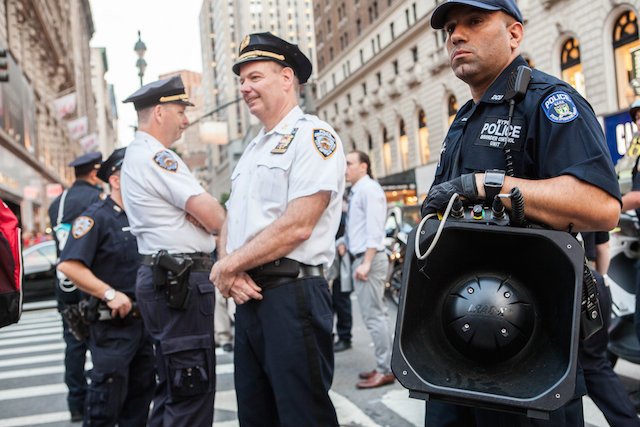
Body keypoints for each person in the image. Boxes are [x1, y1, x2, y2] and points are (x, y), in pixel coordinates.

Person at [422, 0, 621, 425]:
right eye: (450, 28)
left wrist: (485, 185)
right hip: (452, 343)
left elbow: (601, 206)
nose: (457, 35)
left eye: (475, 21)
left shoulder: (549, 101)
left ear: (514, 34)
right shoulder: (464, 117)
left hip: (529, 353)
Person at [209, 32, 345, 426]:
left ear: (287, 78)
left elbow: (298, 225)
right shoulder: (252, 150)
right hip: (248, 297)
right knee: (256, 417)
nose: (244, 88)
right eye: (241, 80)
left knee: (304, 417)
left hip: (292, 295)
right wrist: (231, 269)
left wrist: (228, 266)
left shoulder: (313, 137)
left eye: (254, 77)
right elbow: (231, 221)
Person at [120, 75, 226, 427]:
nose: (186, 120)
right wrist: (203, 218)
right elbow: (215, 216)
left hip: (169, 279)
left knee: (173, 391)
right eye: (181, 111)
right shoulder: (157, 156)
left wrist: (197, 216)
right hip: (180, 282)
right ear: (160, 112)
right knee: (190, 392)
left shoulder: (139, 156)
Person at [57, 148, 156, 427]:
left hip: (145, 325)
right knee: (104, 405)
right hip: (113, 328)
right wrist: (109, 294)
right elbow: (69, 265)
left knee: (139, 403)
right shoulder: (96, 217)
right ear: (115, 180)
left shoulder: (143, 217)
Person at [47, 151, 103, 422]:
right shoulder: (98, 199)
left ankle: (76, 403)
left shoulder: (57, 204)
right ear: (94, 173)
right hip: (93, 283)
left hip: (65, 286)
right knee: (102, 342)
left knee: (74, 345)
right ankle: (101, 399)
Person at [578, 232, 640, 426]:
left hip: (569, 282)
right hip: (591, 280)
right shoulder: (594, 211)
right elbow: (603, 247)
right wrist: (599, 281)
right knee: (593, 364)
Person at [344, 150, 394, 388]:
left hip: (369, 260)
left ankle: (386, 370)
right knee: (375, 315)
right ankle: (385, 365)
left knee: (374, 316)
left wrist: (366, 261)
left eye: (349, 163)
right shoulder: (358, 191)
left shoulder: (369, 189)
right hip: (363, 257)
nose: (345, 168)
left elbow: (375, 229)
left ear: (363, 166)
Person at [332, 208, 354, 353]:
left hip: (339, 263)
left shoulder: (342, 215)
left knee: (341, 300)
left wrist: (341, 242)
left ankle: (345, 337)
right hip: (331, 262)